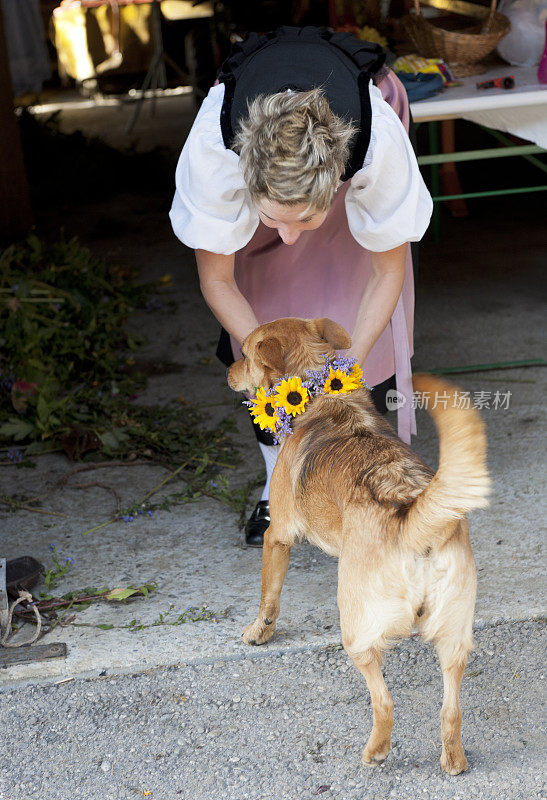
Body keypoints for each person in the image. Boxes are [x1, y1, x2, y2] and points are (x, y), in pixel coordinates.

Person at [170, 26, 433, 547]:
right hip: (259, 155)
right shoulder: (214, 149)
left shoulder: (374, 145)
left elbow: (387, 270)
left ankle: (354, 476)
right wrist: (269, 363)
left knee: (346, 301)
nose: (288, 237)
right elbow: (217, 279)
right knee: (262, 312)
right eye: (275, 219)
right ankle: (277, 484)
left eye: (305, 222)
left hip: (350, 124)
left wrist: (349, 363)